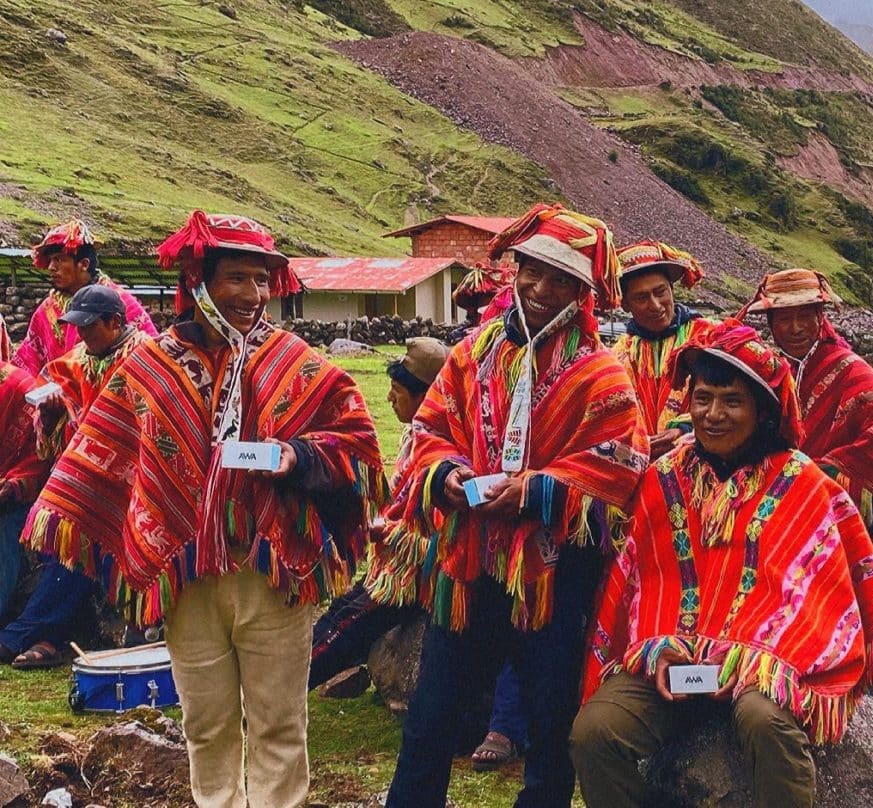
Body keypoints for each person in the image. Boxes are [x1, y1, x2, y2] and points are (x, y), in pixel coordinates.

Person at [22, 210, 387, 808]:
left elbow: (357, 444)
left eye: (262, 280)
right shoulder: (149, 367)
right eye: (237, 279)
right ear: (200, 282)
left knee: (278, 726)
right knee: (207, 726)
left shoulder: (292, 360)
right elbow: (105, 447)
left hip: (273, 573)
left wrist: (295, 457)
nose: (253, 295)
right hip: (184, 577)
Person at [572, 321, 873, 808]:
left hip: (763, 668)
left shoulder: (806, 486)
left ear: (762, 410)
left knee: (764, 719)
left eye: (732, 401)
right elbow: (643, 581)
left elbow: (819, 599)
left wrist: (756, 656)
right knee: (594, 732)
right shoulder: (663, 478)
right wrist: (658, 647)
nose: (713, 414)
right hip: (676, 662)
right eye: (703, 398)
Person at [368, 203, 648, 808]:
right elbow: (429, 428)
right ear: (514, 269)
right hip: (466, 565)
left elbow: (622, 464)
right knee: (431, 717)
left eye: (561, 280)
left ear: (583, 292)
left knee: (550, 725)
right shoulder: (472, 355)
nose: (541, 289)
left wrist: (538, 488)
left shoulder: (601, 375)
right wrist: (445, 475)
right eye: (532, 271)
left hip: (551, 574)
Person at [739, 268, 873, 593]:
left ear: (820, 316)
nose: (795, 328)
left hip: (840, 515)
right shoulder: (763, 372)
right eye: (783, 319)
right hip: (771, 513)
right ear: (770, 323)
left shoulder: (853, 373)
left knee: (842, 599)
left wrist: (818, 472)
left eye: (805, 316)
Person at [1, 285, 150, 668]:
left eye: (89, 327)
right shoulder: (77, 361)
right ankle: (43, 637)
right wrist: (51, 414)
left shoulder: (147, 358)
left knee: (83, 532)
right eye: (76, 327)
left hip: (140, 484)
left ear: (115, 323)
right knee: (68, 534)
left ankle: (29, 636)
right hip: (90, 481)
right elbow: (55, 422)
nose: (81, 335)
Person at [309, 337, 450, 688]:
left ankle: (274, 694)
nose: (389, 398)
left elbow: (440, 537)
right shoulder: (414, 435)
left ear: (425, 396)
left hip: (414, 578)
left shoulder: (445, 452)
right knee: (336, 612)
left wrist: (384, 529)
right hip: (392, 567)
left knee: (341, 631)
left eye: (397, 390)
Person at [612, 240, 714, 459]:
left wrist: (685, 430)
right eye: (641, 298)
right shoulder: (621, 354)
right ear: (625, 305)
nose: (656, 305)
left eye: (660, 292)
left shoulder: (709, 338)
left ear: (671, 289)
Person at [14, 219, 156, 376]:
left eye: (59, 259)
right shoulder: (47, 310)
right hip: (57, 395)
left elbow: (150, 356)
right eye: (50, 260)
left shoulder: (120, 302)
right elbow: (28, 359)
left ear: (84, 264)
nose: (51, 267)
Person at [0, 361, 49, 626]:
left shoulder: (20, 387)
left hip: (15, 491)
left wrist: (14, 484)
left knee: (6, 532)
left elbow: (40, 451)